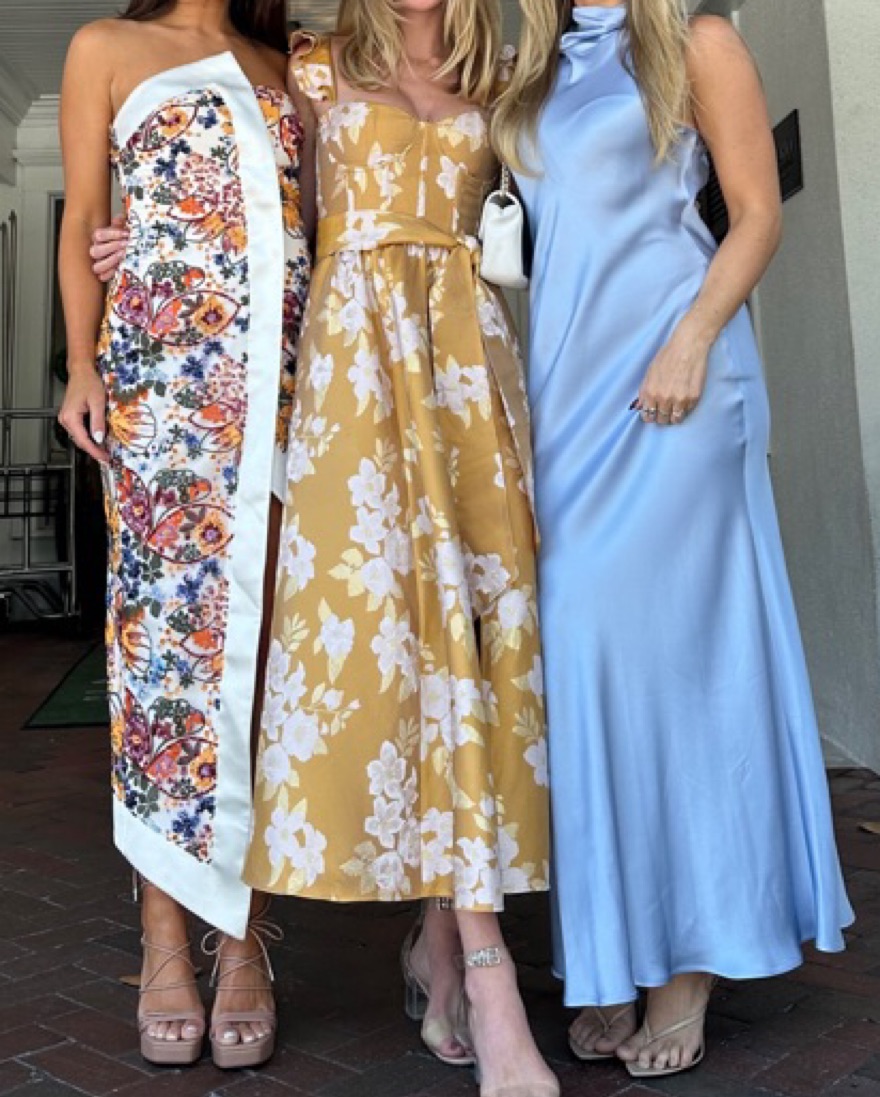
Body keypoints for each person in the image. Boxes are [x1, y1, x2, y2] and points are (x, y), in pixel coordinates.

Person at [493, 0, 854, 1079]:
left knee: (684, 670)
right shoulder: (528, 69)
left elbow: (757, 215)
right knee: (590, 668)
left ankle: (685, 968)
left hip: (678, 390)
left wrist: (692, 338)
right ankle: (617, 950)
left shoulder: (696, 40)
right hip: (569, 405)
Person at [241, 1, 557, 1094]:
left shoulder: (507, 74)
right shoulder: (314, 69)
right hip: (356, 378)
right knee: (393, 648)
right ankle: (485, 968)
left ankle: (440, 937)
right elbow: (267, 230)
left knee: (479, 639)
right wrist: (127, 246)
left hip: (470, 369)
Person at [58, 0, 311, 1068]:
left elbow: (317, 222)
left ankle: (243, 935)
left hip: (285, 391)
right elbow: (85, 219)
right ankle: (165, 934)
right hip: (162, 383)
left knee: (261, 660)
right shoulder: (105, 48)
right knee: (160, 655)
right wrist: (81, 364)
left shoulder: (290, 62)